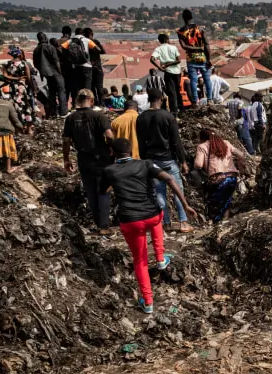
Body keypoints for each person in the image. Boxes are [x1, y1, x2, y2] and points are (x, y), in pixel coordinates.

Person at [102, 138, 195, 314]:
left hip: (131, 221)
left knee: (140, 260)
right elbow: (169, 179)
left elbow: (104, 191)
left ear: (112, 152)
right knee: (157, 216)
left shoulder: (109, 170)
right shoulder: (145, 164)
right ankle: (160, 259)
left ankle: (148, 301)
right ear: (131, 150)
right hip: (152, 216)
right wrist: (185, 205)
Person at [137, 88, 192, 233]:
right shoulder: (167, 116)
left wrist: (144, 161)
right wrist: (183, 161)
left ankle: (166, 223)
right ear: (161, 98)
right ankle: (183, 222)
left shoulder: (141, 118)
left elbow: (140, 142)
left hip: (151, 160)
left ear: (149, 99)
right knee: (177, 190)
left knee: (159, 193)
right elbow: (176, 141)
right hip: (168, 159)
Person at [64, 90, 114, 235]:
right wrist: (111, 148)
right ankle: (104, 227)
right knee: (104, 191)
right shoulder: (99, 116)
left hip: (83, 158)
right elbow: (109, 135)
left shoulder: (70, 118)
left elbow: (66, 140)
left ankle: (99, 224)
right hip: (101, 158)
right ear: (91, 101)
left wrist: (66, 159)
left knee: (91, 192)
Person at [194, 128, 245, 223]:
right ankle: (225, 220)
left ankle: (213, 220)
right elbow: (241, 155)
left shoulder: (202, 146)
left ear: (202, 137)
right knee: (227, 199)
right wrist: (240, 166)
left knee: (213, 201)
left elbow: (198, 165)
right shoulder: (226, 143)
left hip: (217, 179)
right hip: (232, 178)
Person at [178, 10, 213, 107]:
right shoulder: (200, 29)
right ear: (191, 17)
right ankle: (209, 100)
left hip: (191, 59)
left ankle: (194, 101)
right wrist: (209, 59)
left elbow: (184, 46)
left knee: (193, 80)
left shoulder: (181, 31)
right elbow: (206, 45)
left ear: (183, 18)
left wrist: (193, 48)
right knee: (207, 80)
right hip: (202, 58)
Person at [2, 47, 37, 135]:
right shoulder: (24, 63)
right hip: (22, 87)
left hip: (13, 88)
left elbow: (5, 75)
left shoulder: (7, 63)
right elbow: (28, 77)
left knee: (16, 107)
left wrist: (14, 78)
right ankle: (29, 128)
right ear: (19, 54)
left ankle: (18, 129)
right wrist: (33, 89)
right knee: (27, 107)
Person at [60, 30, 99, 100]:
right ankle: (88, 105)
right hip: (87, 66)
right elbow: (98, 49)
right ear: (83, 33)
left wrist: (69, 57)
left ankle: (79, 105)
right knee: (87, 88)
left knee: (78, 88)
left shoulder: (71, 40)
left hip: (76, 67)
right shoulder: (86, 40)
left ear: (75, 33)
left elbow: (62, 47)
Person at [33, 31, 65, 117]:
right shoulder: (50, 47)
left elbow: (35, 64)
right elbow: (56, 61)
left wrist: (42, 72)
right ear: (45, 37)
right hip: (55, 72)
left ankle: (53, 112)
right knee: (61, 91)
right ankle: (63, 112)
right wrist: (60, 72)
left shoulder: (36, 50)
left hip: (46, 74)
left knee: (52, 93)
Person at [151, 33, 183, 114]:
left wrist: (161, 67)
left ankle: (174, 111)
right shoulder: (173, 47)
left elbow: (152, 59)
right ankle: (181, 108)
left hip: (168, 72)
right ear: (167, 40)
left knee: (172, 92)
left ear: (160, 41)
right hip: (177, 72)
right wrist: (169, 63)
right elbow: (178, 60)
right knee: (177, 90)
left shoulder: (158, 49)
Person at [82, 28, 105, 100]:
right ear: (91, 34)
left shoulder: (83, 43)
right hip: (97, 67)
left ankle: (94, 103)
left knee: (91, 88)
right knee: (99, 87)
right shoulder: (95, 42)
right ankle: (102, 104)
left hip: (88, 68)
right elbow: (103, 51)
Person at [57, 26, 75, 111]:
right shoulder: (71, 42)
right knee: (73, 89)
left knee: (63, 90)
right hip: (71, 68)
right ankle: (74, 106)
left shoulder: (57, 42)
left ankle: (63, 109)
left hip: (60, 70)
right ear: (70, 33)